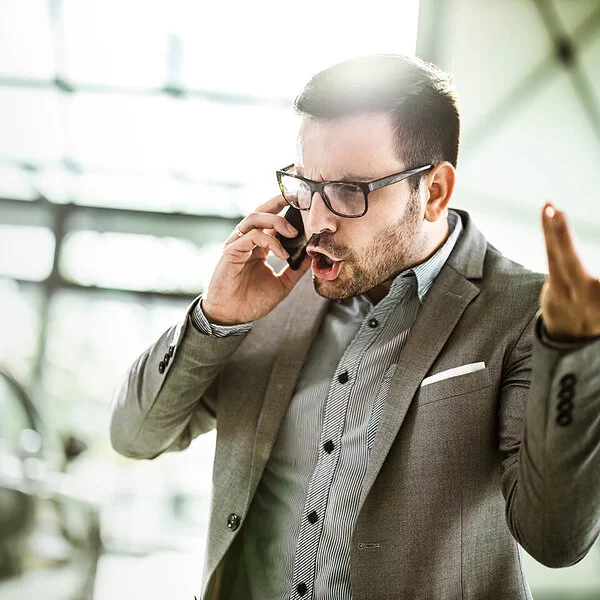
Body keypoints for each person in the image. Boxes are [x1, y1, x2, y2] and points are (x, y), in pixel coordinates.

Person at [109, 55, 600, 599]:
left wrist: (572, 353)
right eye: (305, 185)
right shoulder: (269, 292)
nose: (317, 220)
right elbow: (134, 435)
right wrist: (215, 317)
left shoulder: (521, 312)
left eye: (349, 191)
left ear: (434, 191)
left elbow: (557, 539)